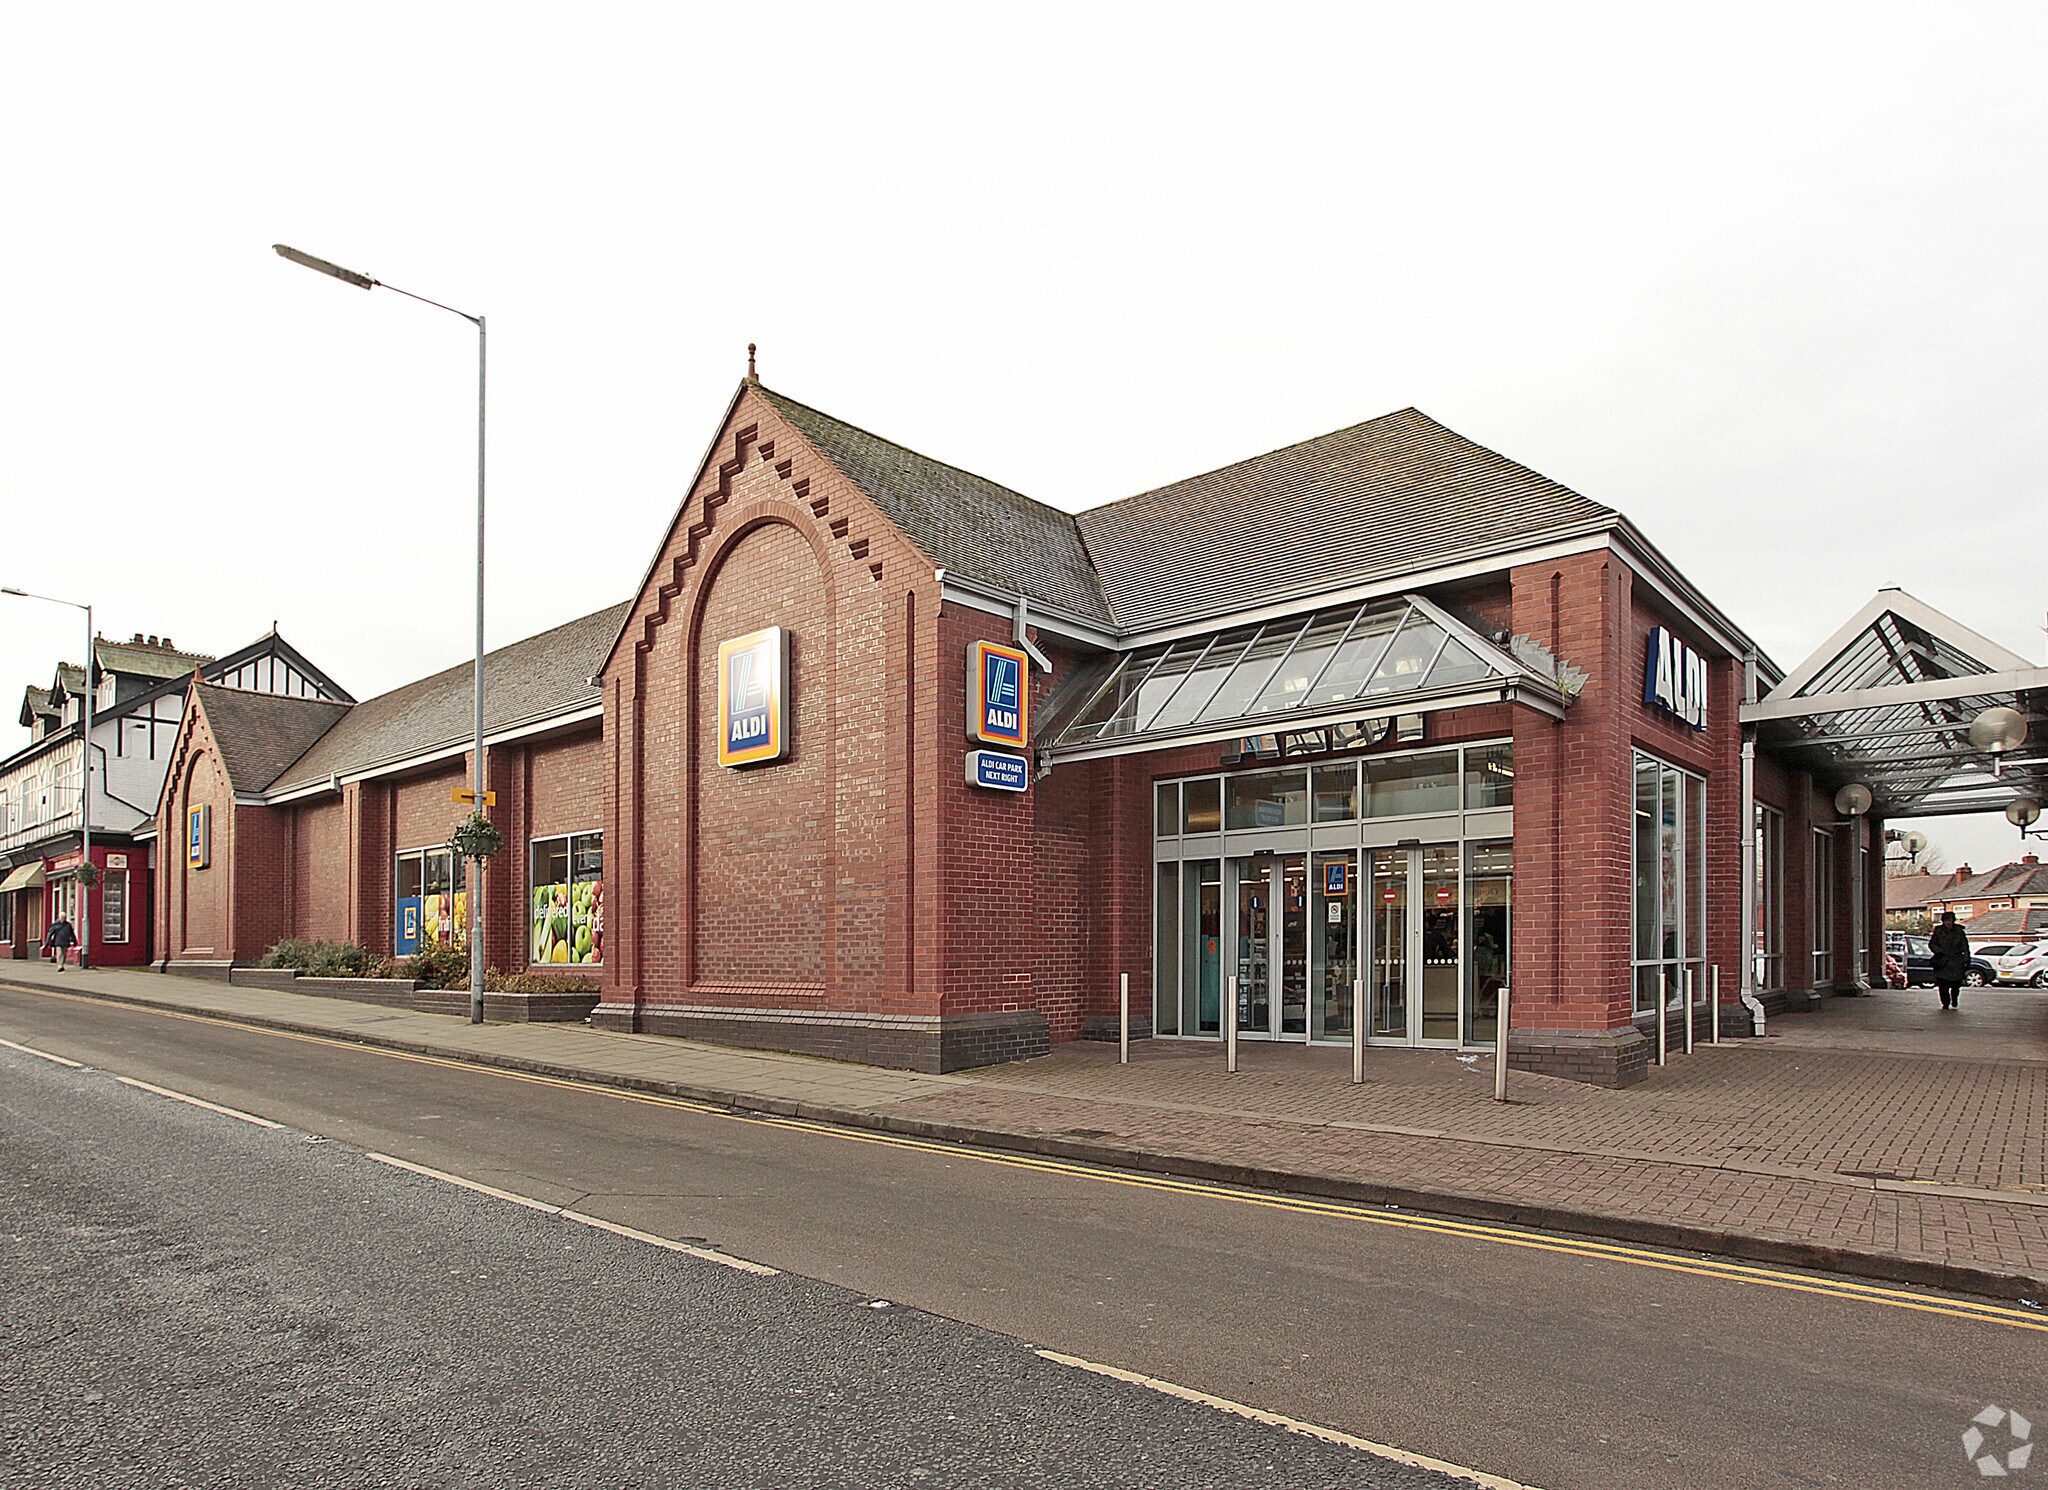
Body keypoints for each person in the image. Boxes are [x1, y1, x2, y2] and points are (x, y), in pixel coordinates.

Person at [1928, 911, 1970, 1009]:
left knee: (1956, 985)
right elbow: (1932, 944)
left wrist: (1966, 959)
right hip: (1942, 962)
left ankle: (1954, 999)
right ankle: (1945, 1003)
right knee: (1943, 985)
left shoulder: (1959, 931)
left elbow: (1965, 946)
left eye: (1949, 920)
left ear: (1953, 921)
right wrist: (1939, 952)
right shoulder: (1938, 931)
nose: (1947, 923)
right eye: (1945, 921)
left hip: (1956, 962)